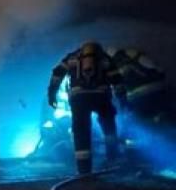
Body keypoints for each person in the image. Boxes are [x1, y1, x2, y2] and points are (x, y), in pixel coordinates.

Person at [47, 41, 124, 174]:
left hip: (79, 99)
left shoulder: (72, 58)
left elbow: (57, 74)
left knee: (81, 131)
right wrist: (123, 99)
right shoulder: (104, 58)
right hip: (102, 98)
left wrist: (52, 94)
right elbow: (117, 80)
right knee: (109, 128)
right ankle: (112, 161)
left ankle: (83, 169)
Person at [110, 47, 168, 123]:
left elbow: (119, 92)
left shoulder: (113, 68)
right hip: (159, 90)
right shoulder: (133, 54)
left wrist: (124, 111)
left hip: (137, 96)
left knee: (144, 121)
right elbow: (160, 70)